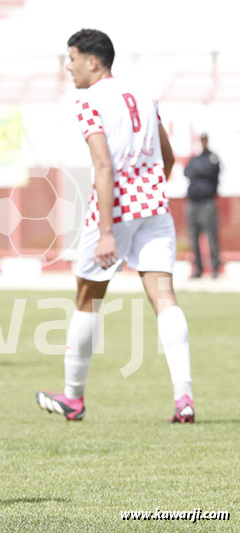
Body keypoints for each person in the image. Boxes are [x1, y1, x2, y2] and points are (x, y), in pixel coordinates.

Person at [36, 29, 194, 424]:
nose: (67, 66)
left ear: (92, 61)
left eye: (71, 58)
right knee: (164, 297)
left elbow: (103, 166)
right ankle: (184, 397)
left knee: (87, 297)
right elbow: (169, 157)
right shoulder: (143, 93)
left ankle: (73, 397)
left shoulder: (88, 100)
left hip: (115, 208)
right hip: (154, 206)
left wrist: (107, 230)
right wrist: (150, 189)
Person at [184, 133, 221, 278]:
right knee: (193, 237)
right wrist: (200, 171)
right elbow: (186, 171)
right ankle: (197, 269)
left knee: (211, 236)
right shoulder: (195, 158)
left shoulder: (213, 157)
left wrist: (198, 171)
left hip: (207, 202)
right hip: (193, 203)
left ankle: (215, 269)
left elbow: (209, 170)